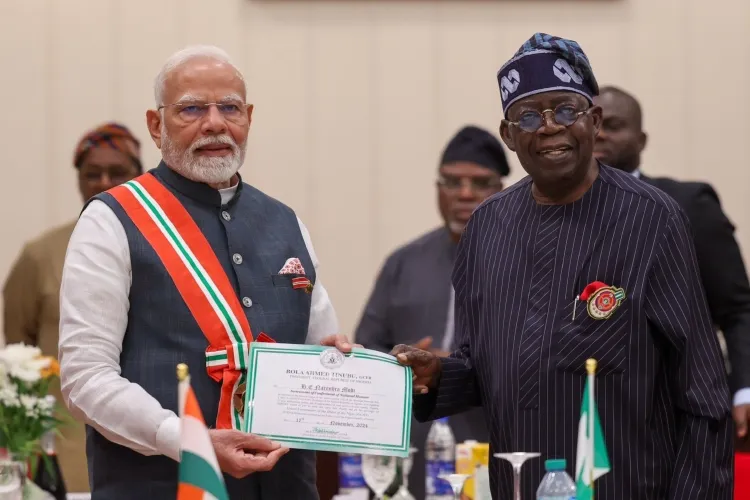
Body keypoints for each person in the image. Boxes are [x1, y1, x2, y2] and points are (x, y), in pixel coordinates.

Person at [392, 33, 733, 499]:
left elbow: (701, 390)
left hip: (631, 487)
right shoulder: (487, 227)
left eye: (566, 110)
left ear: (593, 122)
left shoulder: (652, 218)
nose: (549, 127)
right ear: (509, 136)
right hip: (520, 486)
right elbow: (485, 365)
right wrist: (438, 375)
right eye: (528, 116)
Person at [58, 45, 339, 499]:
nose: (214, 123)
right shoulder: (111, 220)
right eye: (192, 108)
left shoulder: (287, 224)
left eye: (229, 108)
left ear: (248, 117)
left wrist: (339, 364)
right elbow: (85, 378)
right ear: (156, 124)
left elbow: (320, 352)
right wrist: (187, 441)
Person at [354, 124, 509, 499]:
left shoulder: (525, 261)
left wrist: (449, 366)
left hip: (496, 452)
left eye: (480, 182)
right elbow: (366, 353)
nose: (465, 194)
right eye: (452, 182)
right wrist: (400, 363)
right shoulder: (404, 263)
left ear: (501, 188)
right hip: (414, 458)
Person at [593, 85, 750, 447]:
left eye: (614, 126)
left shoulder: (687, 204)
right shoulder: (557, 216)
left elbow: (738, 307)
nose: (600, 134)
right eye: (593, 123)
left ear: (642, 139)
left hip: (679, 411)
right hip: (586, 410)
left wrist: (743, 388)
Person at [3, 122, 143, 493]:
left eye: (117, 172)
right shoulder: (41, 255)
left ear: (140, 175)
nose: (103, 182)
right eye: (91, 174)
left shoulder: (170, 249)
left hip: (153, 437)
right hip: (69, 445)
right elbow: (19, 352)